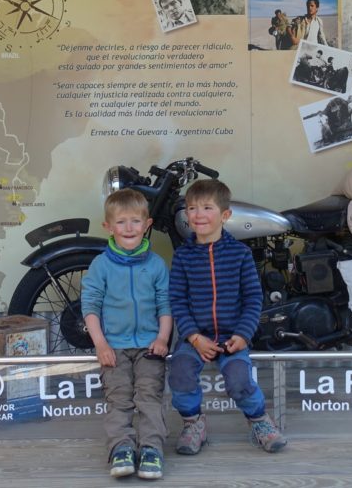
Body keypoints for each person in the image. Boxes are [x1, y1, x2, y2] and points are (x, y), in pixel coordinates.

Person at [168, 179, 286, 456]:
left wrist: (243, 335)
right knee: (180, 372)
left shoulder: (240, 254)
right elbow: (177, 301)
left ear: (225, 215)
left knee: (238, 379)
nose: (198, 215)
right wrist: (194, 337)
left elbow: (253, 298)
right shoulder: (183, 257)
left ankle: (259, 421)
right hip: (195, 338)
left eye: (207, 208)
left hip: (232, 337)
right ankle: (193, 423)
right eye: (192, 208)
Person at [81, 188, 173, 479]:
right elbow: (90, 306)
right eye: (121, 222)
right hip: (114, 348)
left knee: (149, 397)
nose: (129, 228)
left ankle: (151, 449)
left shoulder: (156, 265)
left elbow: (165, 306)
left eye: (135, 221)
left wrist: (162, 338)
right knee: (119, 398)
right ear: (108, 227)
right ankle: (121, 448)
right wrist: (101, 344)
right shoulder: (101, 265)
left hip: (149, 347)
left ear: (147, 224)